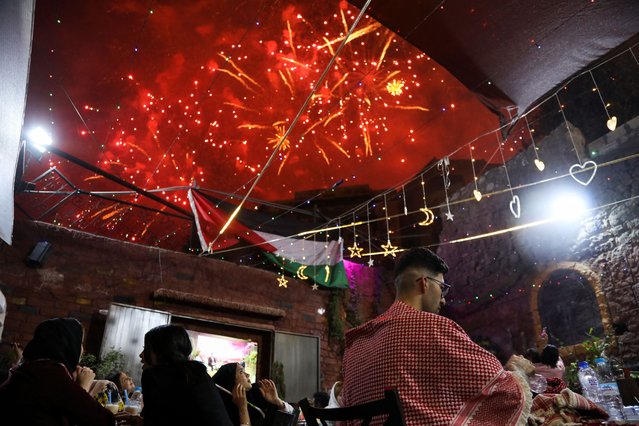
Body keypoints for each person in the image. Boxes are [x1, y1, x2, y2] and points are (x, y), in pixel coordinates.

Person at [342, 248, 534, 426]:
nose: (443, 299)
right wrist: (519, 372)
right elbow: (504, 392)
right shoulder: (433, 327)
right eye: (442, 288)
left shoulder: (355, 343)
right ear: (425, 283)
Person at [0, 317, 115, 425]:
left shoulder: (32, 368)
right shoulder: (49, 373)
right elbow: (101, 420)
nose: (82, 349)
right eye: (79, 343)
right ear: (68, 345)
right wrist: (83, 386)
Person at [140, 324, 232, 426]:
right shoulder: (198, 373)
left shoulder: (155, 376)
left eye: (146, 349)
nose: (141, 355)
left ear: (158, 352)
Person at [212, 362, 294, 426]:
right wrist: (242, 409)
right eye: (241, 372)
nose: (247, 375)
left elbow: (292, 416)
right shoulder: (223, 411)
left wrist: (277, 401)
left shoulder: (256, 393)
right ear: (230, 381)